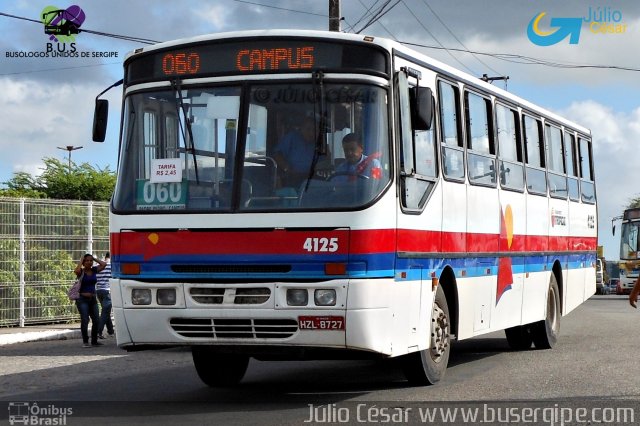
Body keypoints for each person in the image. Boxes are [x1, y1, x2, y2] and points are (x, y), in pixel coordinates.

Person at [273, 115, 317, 188]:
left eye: (314, 130)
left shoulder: (319, 144)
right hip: (292, 178)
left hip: (313, 179)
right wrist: (287, 169)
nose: (311, 133)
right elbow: (277, 155)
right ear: (301, 128)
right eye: (308, 129)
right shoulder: (292, 137)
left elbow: (325, 164)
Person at [74, 253, 107, 348]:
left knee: (96, 320)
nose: (89, 262)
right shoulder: (81, 272)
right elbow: (76, 270)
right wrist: (81, 260)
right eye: (87, 260)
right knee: (85, 320)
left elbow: (104, 265)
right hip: (82, 299)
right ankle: (85, 341)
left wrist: (95, 259)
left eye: (90, 260)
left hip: (92, 299)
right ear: (84, 262)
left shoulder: (94, 270)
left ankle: (94, 341)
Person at [96, 252, 114, 339]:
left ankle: (111, 331)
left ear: (105, 257)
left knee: (106, 311)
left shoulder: (99, 266)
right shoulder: (112, 266)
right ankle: (98, 331)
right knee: (105, 312)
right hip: (108, 291)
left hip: (99, 291)